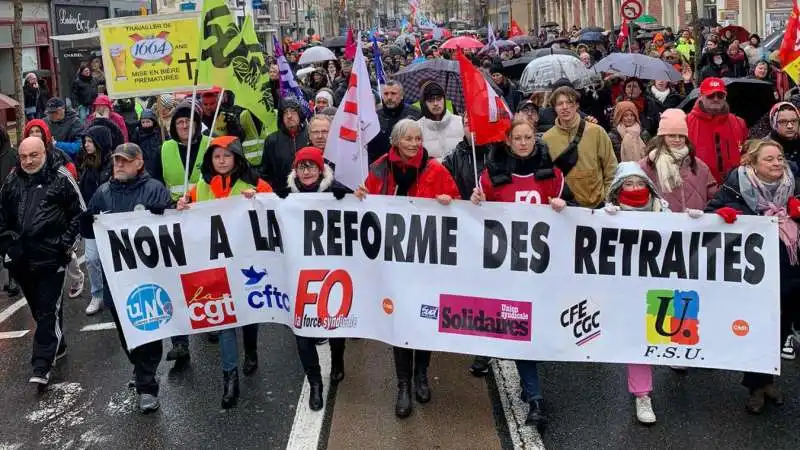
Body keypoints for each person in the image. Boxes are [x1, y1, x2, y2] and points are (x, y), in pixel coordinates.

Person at [353, 119, 459, 418]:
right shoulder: (379, 168)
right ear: (396, 141)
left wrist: (447, 201)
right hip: (392, 261)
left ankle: (421, 375)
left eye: (418, 138)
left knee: (423, 319)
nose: (413, 144)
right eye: (408, 139)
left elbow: (457, 205)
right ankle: (402, 385)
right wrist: (360, 195)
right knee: (400, 323)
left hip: (426, 261)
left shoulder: (436, 170)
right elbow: (367, 204)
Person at [469, 119, 570, 429]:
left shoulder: (552, 175)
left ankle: (532, 391)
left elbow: (576, 213)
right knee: (517, 325)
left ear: (534, 140)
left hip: (540, 269)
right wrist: (475, 203)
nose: (524, 142)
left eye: (528, 137)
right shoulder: (491, 176)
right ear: (509, 141)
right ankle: (534, 395)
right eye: (518, 138)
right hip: (504, 266)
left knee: (526, 328)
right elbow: (473, 220)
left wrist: (563, 204)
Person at [176, 136, 273, 408]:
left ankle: (251, 351)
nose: (221, 161)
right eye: (216, 156)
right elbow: (185, 216)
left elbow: (275, 206)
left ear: (236, 158)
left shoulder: (253, 184)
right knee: (226, 321)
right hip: (215, 267)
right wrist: (182, 205)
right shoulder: (200, 188)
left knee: (248, 314)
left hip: (246, 264)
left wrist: (260, 199)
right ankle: (229, 378)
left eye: (226, 156)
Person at [705, 139, 800, 411]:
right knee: (759, 325)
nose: (777, 163)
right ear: (753, 163)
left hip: (790, 265)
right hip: (754, 269)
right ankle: (756, 386)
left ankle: (768, 377)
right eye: (769, 159)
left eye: (779, 157)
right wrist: (727, 213)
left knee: (783, 323)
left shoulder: (793, 179)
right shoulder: (737, 184)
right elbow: (712, 211)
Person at [80, 143, 172, 413]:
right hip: (116, 279)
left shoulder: (153, 188)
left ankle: (147, 385)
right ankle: (139, 366)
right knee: (125, 330)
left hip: (147, 275)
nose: (119, 164)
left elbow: (171, 225)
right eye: (116, 160)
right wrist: (86, 219)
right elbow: (87, 226)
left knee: (147, 327)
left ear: (138, 163)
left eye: (125, 160)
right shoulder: (103, 192)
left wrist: (163, 211)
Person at [603, 162, 697, 424]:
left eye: (639, 183)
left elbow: (684, 238)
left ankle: (675, 355)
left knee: (666, 327)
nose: (635, 188)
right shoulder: (607, 216)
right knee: (637, 339)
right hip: (627, 289)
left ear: (649, 185)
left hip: (660, 283)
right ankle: (642, 394)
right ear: (618, 188)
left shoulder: (664, 212)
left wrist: (698, 221)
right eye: (628, 184)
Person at [0, 137, 84, 388]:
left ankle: (41, 364)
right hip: (22, 261)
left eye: (33, 155)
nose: (28, 161)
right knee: (39, 310)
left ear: (44, 153)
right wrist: (8, 247)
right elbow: (2, 217)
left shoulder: (61, 178)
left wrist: (64, 244)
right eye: (24, 156)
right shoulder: (12, 181)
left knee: (47, 310)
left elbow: (79, 213)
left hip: (52, 259)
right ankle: (58, 344)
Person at [279, 146, 351, 410]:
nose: (306, 171)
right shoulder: (284, 195)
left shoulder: (338, 191)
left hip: (332, 271)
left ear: (321, 169)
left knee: (334, 321)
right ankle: (315, 383)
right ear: (295, 171)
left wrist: (357, 198)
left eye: (311, 166)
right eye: (301, 166)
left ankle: (338, 359)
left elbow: (364, 215)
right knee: (302, 329)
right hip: (300, 275)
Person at [542, 86, 618, 208]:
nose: (565, 107)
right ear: (554, 108)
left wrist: (607, 199)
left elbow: (611, 168)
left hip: (598, 206)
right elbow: (546, 177)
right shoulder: (547, 138)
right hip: (564, 209)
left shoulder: (596, 132)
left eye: (569, 102)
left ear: (577, 105)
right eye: (560, 103)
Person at [639, 108, 717, 214]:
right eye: (671, 135)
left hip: (695, 225)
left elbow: (714, 197)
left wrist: (706, 214)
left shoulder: (699, 166)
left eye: (681, 136)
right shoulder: (646, 165)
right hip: (660, 226)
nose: (677, 140)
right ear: (662, 137)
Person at [77, 125, 114, 316]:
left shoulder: (113, 164)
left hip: (109, 220)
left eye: (90, 141)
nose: (86, 144)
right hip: (90, 221)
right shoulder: (86, 163)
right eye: (85, 141)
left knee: (111, 259)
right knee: (92, 259)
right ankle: (97, 294)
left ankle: (113, 293)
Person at [687, 77, 748, 183]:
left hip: (734, 186)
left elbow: (747, 153)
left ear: (725, 97)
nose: (715, 99)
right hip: (699, 186)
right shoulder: (686, 122)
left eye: (720, 95)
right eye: (710, 95)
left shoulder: (739, 122)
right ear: (700, 96)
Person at [160, 98, 210, 201]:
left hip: (207, 206)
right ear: (174, 126)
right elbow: (156, 181)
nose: (185, 126)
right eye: (179, 122)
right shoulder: (165, 148)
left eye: (188, 121)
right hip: (177, 209)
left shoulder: (211, 143)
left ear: (196, 124)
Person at [259, 98, 310, 192]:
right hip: (281, 195)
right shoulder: (272, 140)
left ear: (300, 114)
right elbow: (266, 173)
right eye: (285, 112)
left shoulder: (310, 136)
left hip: (307, 194)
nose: (289, 116)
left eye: (293, 111)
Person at [367, 80, 421, 163]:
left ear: (402, 96)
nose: (389, 97)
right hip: (382, 168)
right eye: (386, 94)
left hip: (410, 165)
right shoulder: (375, 117)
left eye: (393, 93)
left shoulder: (416, 114)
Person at [416, 81, 464, 160]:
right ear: (424, 103)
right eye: (430, 100)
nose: (435, 103)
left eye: (439, 99)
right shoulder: (417, 127)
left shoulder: (460, 122)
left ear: (444, 99)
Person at [131, 109, 164, 183]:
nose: (145, 124)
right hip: (143, 168)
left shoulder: (160, 132)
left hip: (159, 168)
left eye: (148, 122)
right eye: (143, 122)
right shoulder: (137, 133)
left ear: (153, 122)